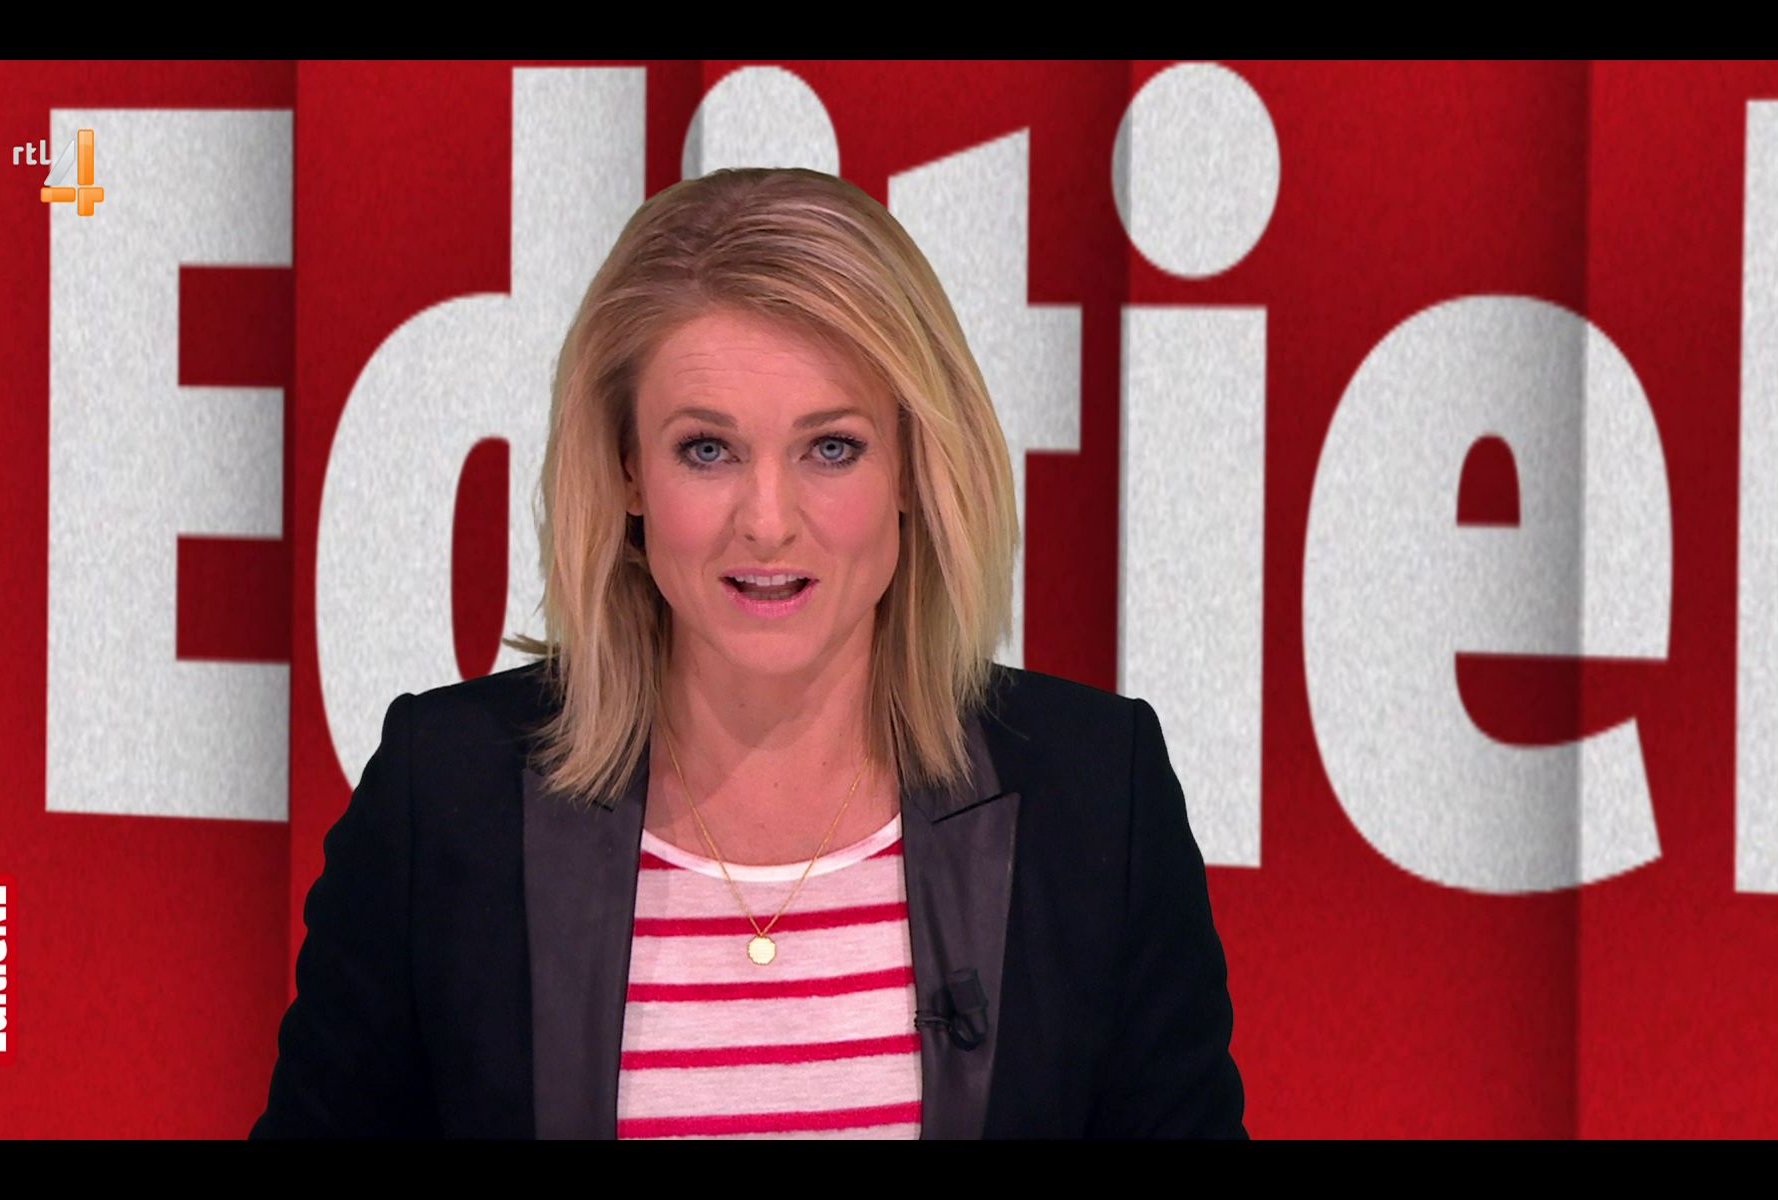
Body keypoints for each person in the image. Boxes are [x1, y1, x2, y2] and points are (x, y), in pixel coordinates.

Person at [251, 167, 1246, 1139]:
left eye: (831, 447)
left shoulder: (1096, 798)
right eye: (708, 450)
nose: (767, 522)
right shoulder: (442, 794)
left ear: (915, 466)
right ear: (627, 469)